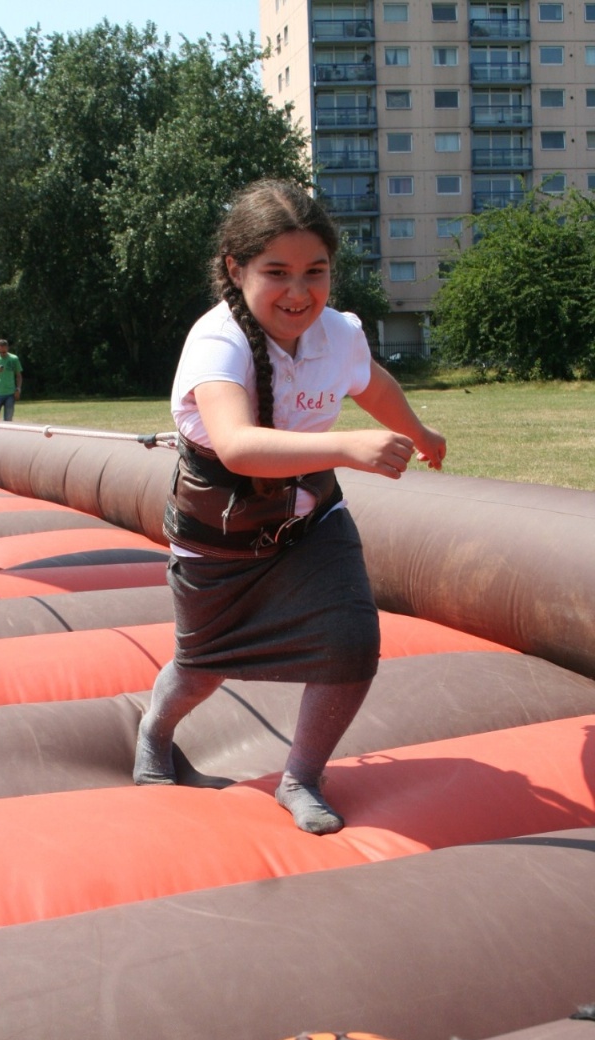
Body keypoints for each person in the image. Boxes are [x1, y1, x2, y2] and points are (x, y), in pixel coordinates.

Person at [133, 179, 446, 835]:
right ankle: (155, 733)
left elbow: (371, 384)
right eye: (277, 272)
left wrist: (418, 431)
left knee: (352, 644)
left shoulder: (338, 333)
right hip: (220, 534)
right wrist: (346, 447)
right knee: (201, 668)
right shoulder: (218, 342)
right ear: (235, 268)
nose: (299, 292)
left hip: (310, 521)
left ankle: (301, 776)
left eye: (315, 272)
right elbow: (237, 446)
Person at [0, 339, 23, 421]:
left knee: (8, 420)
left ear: (7, 348)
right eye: (0, 352)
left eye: (4, 352)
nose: (2, 354)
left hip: (10, 394)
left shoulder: (14, 358)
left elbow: (19, 376)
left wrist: (18, 388)